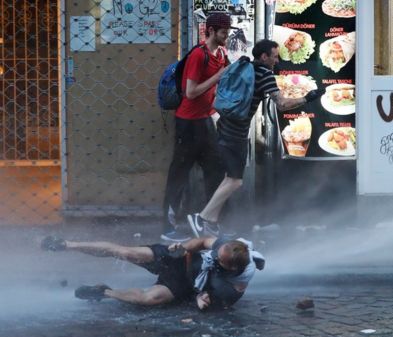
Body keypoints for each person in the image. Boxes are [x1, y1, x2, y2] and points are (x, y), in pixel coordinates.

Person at [186, 39, 323, 237]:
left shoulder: (244, 66)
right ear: (264, 56)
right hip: (237, 132)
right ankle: (203, 218)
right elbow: (282, 104)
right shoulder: (265, 74)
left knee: (230, 177)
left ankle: (210, 222)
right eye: (274, 57)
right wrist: (307, 98)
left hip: (224, 125)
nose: (277, 61)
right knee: (235, 180)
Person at [40, 235, 265, 310]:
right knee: (126, 252)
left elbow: (223, 300)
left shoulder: (240, 278)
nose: (215, 257)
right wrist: (183, 247)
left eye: (220, 260)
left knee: (149, 299)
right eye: (217, 254)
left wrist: (203, 299)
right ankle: (66, 244)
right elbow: (201, 241)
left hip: (186, 283)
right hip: (181, 260)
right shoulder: (225, 244)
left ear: (232, 268)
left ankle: (103, 291)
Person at [161, 13, 234, 243]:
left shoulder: (221, 53)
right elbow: (191, 92)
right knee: (179, 175)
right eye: (224, 32)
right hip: (188, 123)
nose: (227, 35)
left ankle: (209, 222)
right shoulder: (197, 55)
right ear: (211, 31)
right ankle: (169, 226)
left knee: (216, 172)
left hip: (205, 121)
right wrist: (219, 75)